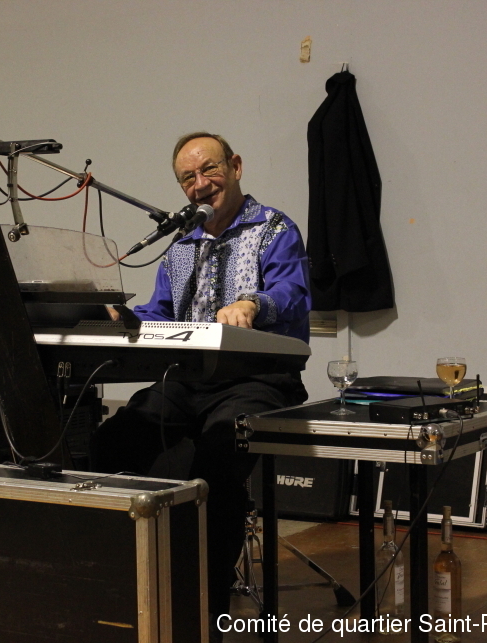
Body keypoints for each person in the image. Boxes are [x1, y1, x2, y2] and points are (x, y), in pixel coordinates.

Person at [91, 132, 311, 628]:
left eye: (209, 169)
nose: (199, 184)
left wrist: (252, 304)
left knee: (216, 457)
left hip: (258, 379)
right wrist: (121, 318)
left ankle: (206, 607)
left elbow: (292, 293)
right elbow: (160, 313)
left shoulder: (275, 228)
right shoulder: (181, 245)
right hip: (190, 380)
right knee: (114, 440)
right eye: (187, 178)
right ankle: (136, 583)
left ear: (235, 166)